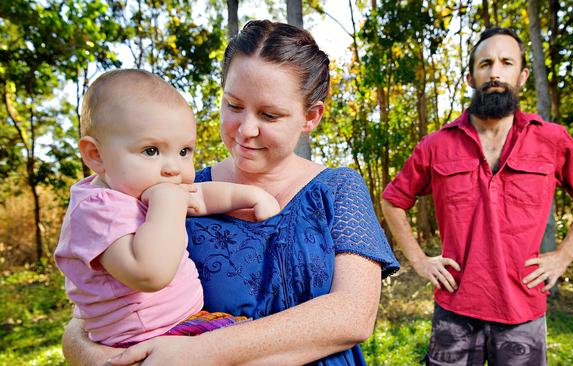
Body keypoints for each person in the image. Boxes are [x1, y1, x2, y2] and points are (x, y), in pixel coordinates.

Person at [62, 20, 400, 365]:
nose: (246, 129)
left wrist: (199, 354)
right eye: (234, 106)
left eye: (269, 115)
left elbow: (353, 315)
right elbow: (89, 318)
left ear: (310, 117)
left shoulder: (339, 188)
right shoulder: (170, 188)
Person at [381, 27, 573, 365]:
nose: (496, 72)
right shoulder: (436, 145)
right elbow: (392, 200)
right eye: (485, 63)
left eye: (506, 62)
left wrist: (562, 256)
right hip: (455, 308)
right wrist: (418, 259)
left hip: (523, 309)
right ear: (471, 77)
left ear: (522, 75)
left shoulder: (551, 140)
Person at [54, 69, 281, 347]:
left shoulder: (144, 187)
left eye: (184, 151)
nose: (173, 168)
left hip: (186, 324)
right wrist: (168, 202)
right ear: (96, 155)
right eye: (151, 151)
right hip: (145, 339)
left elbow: (201, 196)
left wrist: (252, 196)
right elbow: (150, 273)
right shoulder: (97, 210)